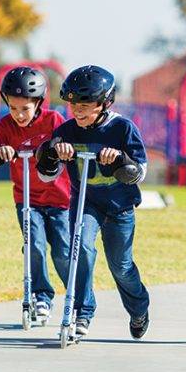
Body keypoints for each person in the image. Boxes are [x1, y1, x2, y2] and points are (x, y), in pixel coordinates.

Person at [35, 65, 150, 339]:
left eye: (85, 104)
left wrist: (121, 160)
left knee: (120, 266)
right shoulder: (67, 132)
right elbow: (46, 175)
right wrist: (52, 154)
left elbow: (140, 172)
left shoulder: (122, 129)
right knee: (81, 249)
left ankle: (139, 309)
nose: (77, 110)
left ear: (105, 102)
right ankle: (81, 311)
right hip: (86, 203)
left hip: (120, 207)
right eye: (73, 103)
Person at [0, 66, 71, 322]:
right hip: (27, 199)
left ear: (39, 103)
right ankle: (42, 296)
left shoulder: (54, 121)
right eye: (13, 108)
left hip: (60, 200)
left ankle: (76, 296)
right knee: (34, 246)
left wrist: (56, 148)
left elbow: (67, 147)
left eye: (25, 109)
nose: (18, 115)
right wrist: (0, 153)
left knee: (63, 251)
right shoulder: (6, 126)